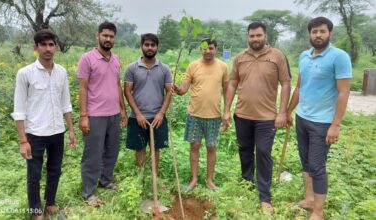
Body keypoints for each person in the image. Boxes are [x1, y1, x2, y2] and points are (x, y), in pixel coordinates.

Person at [286, 17, 352, 220]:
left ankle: (318, 212)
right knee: (305, 162)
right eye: (314, 31)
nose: (318, 35)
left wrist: (336, 124)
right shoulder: (304, 56)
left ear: (330, 33)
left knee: (316, 166)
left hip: (322, 122)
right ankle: (309, 199)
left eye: (322, 31)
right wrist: (288, 111)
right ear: (310, 34)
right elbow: (299, 87)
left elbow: (343, 93)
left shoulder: (339, 57)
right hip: (302, 118)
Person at [222, 21, 291, 213]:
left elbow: (285, 84)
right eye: (252, 36)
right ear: (248, 37)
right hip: (242, 114)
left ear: (265, 36)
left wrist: (283, 112)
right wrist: (227, 110)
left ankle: (265, 197)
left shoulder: (278, 56)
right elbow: (232, 83)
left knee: (262, 152)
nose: (255, 39)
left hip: (267, 117)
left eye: (258, 35)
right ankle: (247, 184)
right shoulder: (240, 58)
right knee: (244, 150)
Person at [11, 29, 77, 220]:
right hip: (35, 133)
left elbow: (66, 104)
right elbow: (19, 109)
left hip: (57, 132)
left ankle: (50, 204)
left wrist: (71, 130)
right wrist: (23, 140)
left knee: (55, 170)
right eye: (43, 45)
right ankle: (35, 211)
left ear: (56, 47)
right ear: (36, 47)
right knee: (34, 175)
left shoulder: (61, 72)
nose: (48, 49)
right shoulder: (25, 74)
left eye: (51, 45)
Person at [78, 21, 127, 207]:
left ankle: (106, 180)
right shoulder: (87, 59)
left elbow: (117, 86)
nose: (108, 39)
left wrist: (123, 110)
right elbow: (83, 88)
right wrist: (83, 115)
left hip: (113, 114)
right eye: (105, 35)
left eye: (111, 36)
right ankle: (88, 191)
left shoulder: (116, 60)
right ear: (97, 36)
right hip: (95, 115)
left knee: (111, 151)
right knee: (93, 154)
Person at [173, 38, 228, 191]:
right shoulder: (193, 66)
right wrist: (177, 90)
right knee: (195, 145)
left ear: (216, 49)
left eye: (211, 48)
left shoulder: (223, 67)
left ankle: (210, 181)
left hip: (214, 116)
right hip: (194, 115)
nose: (207, 51)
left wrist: (227, 111)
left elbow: (226, 89)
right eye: (204, 48)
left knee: (211, 146)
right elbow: (184, 89)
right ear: (200, 49)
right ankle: (194, 179)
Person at [124, 33, 172, 173]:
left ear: (157, 47)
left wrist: (161, 114)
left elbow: (169, 91)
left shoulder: (164, 69)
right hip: (137, 117)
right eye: (147, 45)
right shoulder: (132, 68)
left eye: (153, 45)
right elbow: (127, 91)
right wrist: (138, 114)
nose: (150, 48)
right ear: (141, 46)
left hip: (157, 117)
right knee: (139, 148)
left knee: (155, 148)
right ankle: (142, 178)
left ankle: (154, 177)